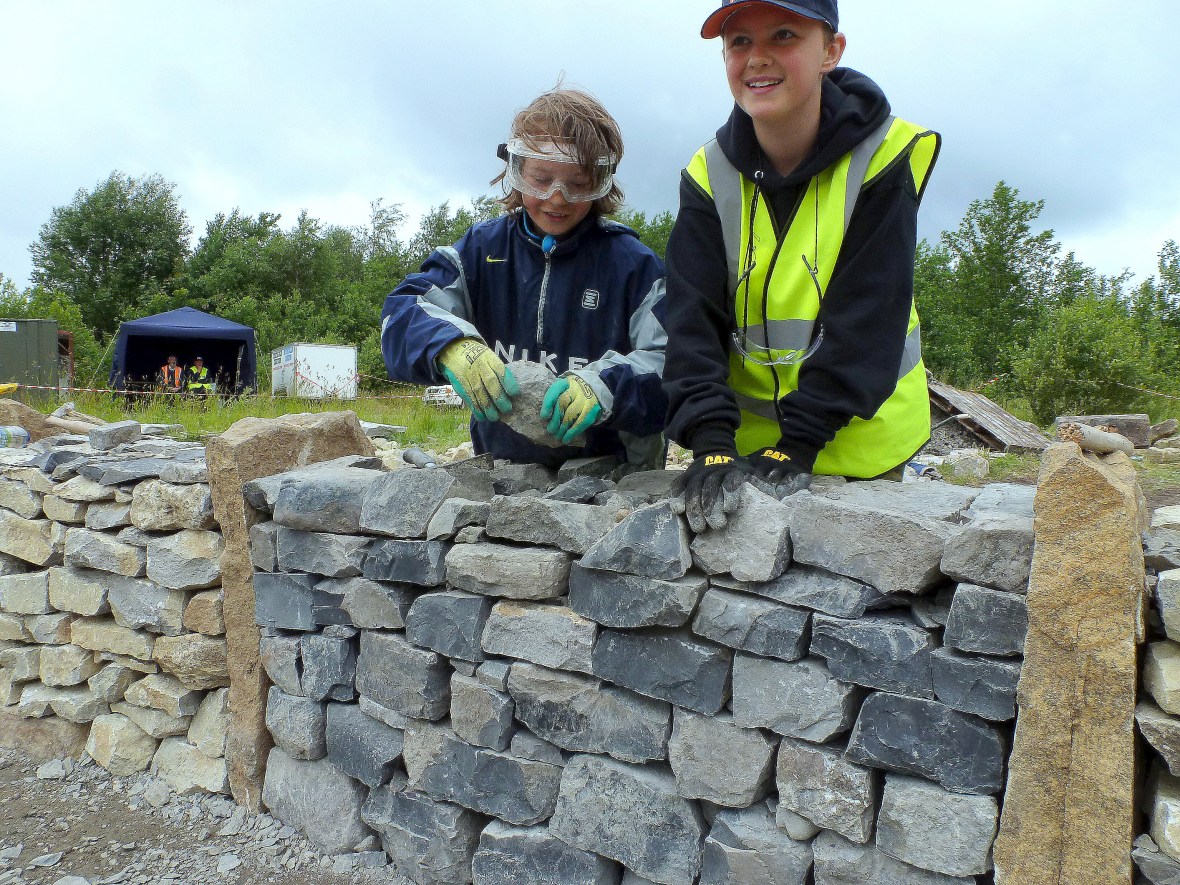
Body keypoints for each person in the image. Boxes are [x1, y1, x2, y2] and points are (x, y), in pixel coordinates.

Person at [663, 0, 940, 531]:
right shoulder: (708, 171)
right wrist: (711, 442)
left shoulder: (884, 156)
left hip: (863, 450)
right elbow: (691, 318)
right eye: (739, 41)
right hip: (743, 457)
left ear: (831, 51)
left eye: (784, 36)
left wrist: (801, 443)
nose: (757, 59)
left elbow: (868, 313)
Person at [380, 88, 669, 469]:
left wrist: (606, 388)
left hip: (617, 480)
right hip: (502, 473)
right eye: (541, 178)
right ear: (516, 173)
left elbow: (674, 360)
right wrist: (450, 346)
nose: (557, 198)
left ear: (603, 182)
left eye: (578, 183)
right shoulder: (479, 250)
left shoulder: (634, 265)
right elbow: (402, 311)